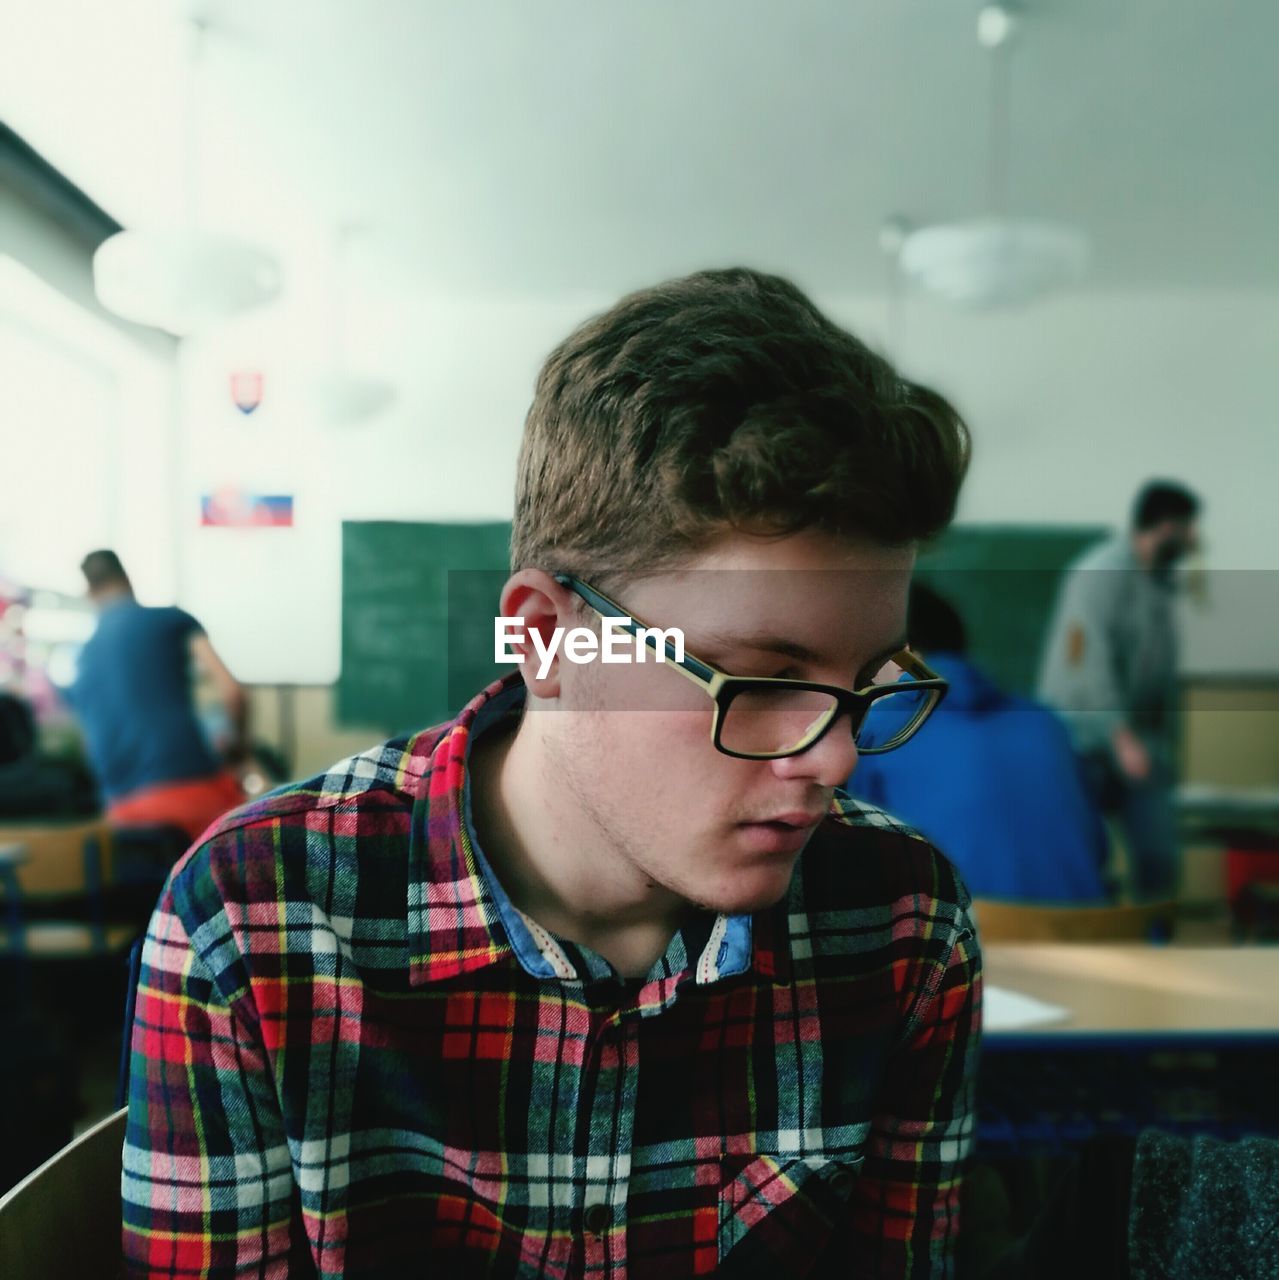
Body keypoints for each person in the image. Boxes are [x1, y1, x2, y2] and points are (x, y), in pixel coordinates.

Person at [122, 268, 979, 1279]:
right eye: (759, 675)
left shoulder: (902, 920)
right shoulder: (255, 916)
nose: (834, 756)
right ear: (543, 637)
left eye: (865, 683)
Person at [848, 584, 1109, 903]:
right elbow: (1098, 847)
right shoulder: (1046, 723)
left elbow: (852, 861)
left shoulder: (881, 730)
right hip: (1095, 938)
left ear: (904, 656)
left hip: (967, 944)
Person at [1037, 482, 1200, 901]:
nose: (1195, 540)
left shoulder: (1160, 586)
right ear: (1165, 526)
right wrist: (1121, 738)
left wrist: (1161, 746)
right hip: (1085, 737)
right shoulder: (1100, 573)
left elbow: (1160, 678)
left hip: (1135, 742)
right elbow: (1086, 663)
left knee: (1159, 855)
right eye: (1188, 528)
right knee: (1083, 855)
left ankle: (1157, 945)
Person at [66, 549, 247, 841]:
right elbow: (233, 692)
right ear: (127, 578)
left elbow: (90, 745)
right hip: (195, 797)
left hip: (123, 818)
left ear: (89, 592)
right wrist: (240, 752)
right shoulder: (170, 621)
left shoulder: (81, 657)